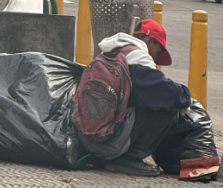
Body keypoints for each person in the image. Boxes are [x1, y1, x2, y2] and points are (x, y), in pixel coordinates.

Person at [81, 20, 192, 176]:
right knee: (167, 108)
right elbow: (168, 94)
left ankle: (112, 158)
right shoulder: (137, 57)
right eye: (158, 51)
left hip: (90, 138)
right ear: (149, 41)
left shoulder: (111, 52)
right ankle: (129, 158)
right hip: (112, 141)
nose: (155, 58)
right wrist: (186, 96)